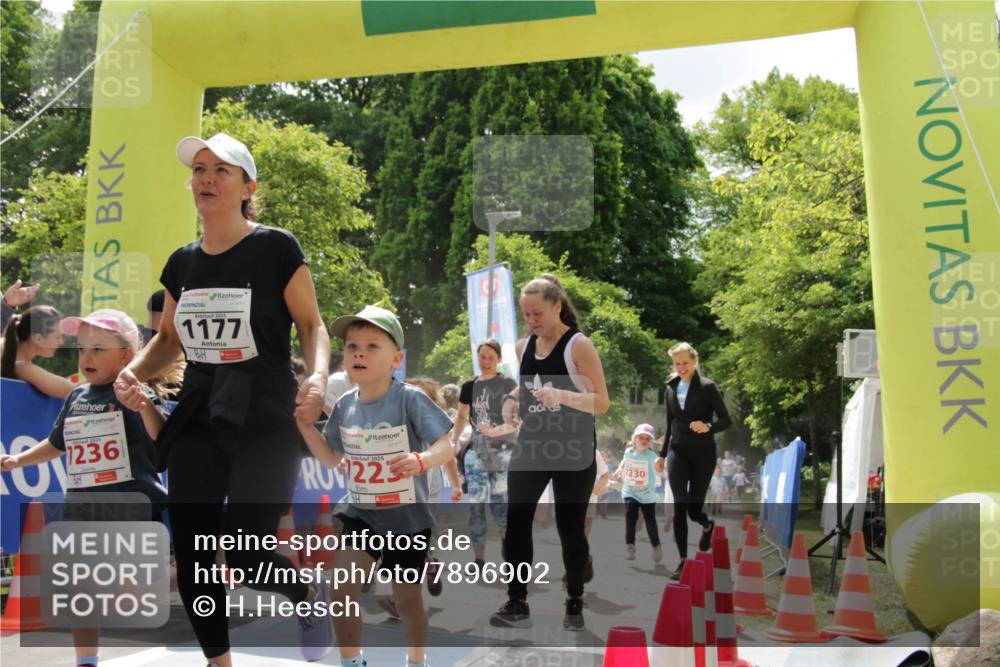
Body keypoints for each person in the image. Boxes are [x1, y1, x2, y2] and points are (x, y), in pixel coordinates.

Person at [114, 132, 331, 666]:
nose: (205, 177)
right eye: (199, 169)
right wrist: (131, 373)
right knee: (192, 552)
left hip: (263, 414)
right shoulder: (181, 263)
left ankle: (305, 595)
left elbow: (311, 324)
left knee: (246, 550)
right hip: (200, 411)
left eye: (221, 170)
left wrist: (320, 377)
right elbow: (168, 339)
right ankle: (219, 661)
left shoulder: (276, 247)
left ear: (246, 187)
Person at [1, 310, 169, 667]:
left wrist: (143, 406)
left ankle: (188, 573)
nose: (86, 357)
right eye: (81, 350)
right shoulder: (76, 396)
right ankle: (86, 660)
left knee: (125, 591)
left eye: (97, 348)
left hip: (130, 507)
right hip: (82, 507)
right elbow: (56, 443)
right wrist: (18, 460)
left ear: (126, 355)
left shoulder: (135, 393)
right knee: (81, 592)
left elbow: (162, 442)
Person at [297, 305, 455, 667]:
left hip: (407, 519)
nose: (359, 354)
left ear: (396, 359)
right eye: (352, 347)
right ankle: (352, 661)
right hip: (360, 512)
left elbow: (445, 445)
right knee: (341, 589)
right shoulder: (345, 406)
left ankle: (417, 660)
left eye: (371, 346)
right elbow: (332, 459)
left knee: (407, 601)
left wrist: (420, 461)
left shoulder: (409, 399)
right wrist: (306, 427)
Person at [490, 274, 609, 632]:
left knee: (569, 527)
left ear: (557, 306)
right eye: (526, 314)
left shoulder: (578, 346)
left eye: (538, 312)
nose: (533, 321)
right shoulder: (523, 347)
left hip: (573, 447)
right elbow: (526, 390)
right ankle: (517, 601)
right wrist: (512, 401)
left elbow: (601, 402)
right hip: (533, 445)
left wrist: (564, 396)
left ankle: (574, 599)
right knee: (517, 521)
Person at [655, 342, 732, 580]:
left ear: (694, 361)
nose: (681, 367)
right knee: (679, 506)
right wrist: (662, 454)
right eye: (677, 363)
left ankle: (706, 524)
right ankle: (682, 561)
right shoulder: (670, 388)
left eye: (685, 363)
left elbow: (726, 420)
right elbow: (669, 425)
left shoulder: (708, 387)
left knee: (693, 510)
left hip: (703, 453)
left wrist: (708, 426)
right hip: (678, 451)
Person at [450, 339, 517, 574]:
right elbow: (460, 416)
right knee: (476, 505)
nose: (486, 361)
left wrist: (500, 431)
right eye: (482, 357)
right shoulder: (469, 385)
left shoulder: (508, 383)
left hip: (503, 450)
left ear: (498, 359)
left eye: (490, 357)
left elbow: (515, 419)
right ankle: (478, 558)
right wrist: (452, 441)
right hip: (476, 450)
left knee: (501, 504)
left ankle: (509, 552)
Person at [1, 304, 75, 398]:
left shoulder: (17, 361)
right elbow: (73, 391)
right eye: (58, 337)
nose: (61, 342)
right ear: (38, 338)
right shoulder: (22, 367)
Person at [615, 423, 663, 563]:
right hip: (630, 491)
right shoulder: (628, 452)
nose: (644, 440)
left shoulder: (651, 455)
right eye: (641, 437)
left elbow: (659, 467)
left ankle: (656, 545)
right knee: (630, 516)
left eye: (647, 439)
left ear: (651, 442)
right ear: (634, 439)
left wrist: (660, 468)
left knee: (650, 521)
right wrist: (619, 470)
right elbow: (624, 462)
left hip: (647, 494)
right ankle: (630, 546)